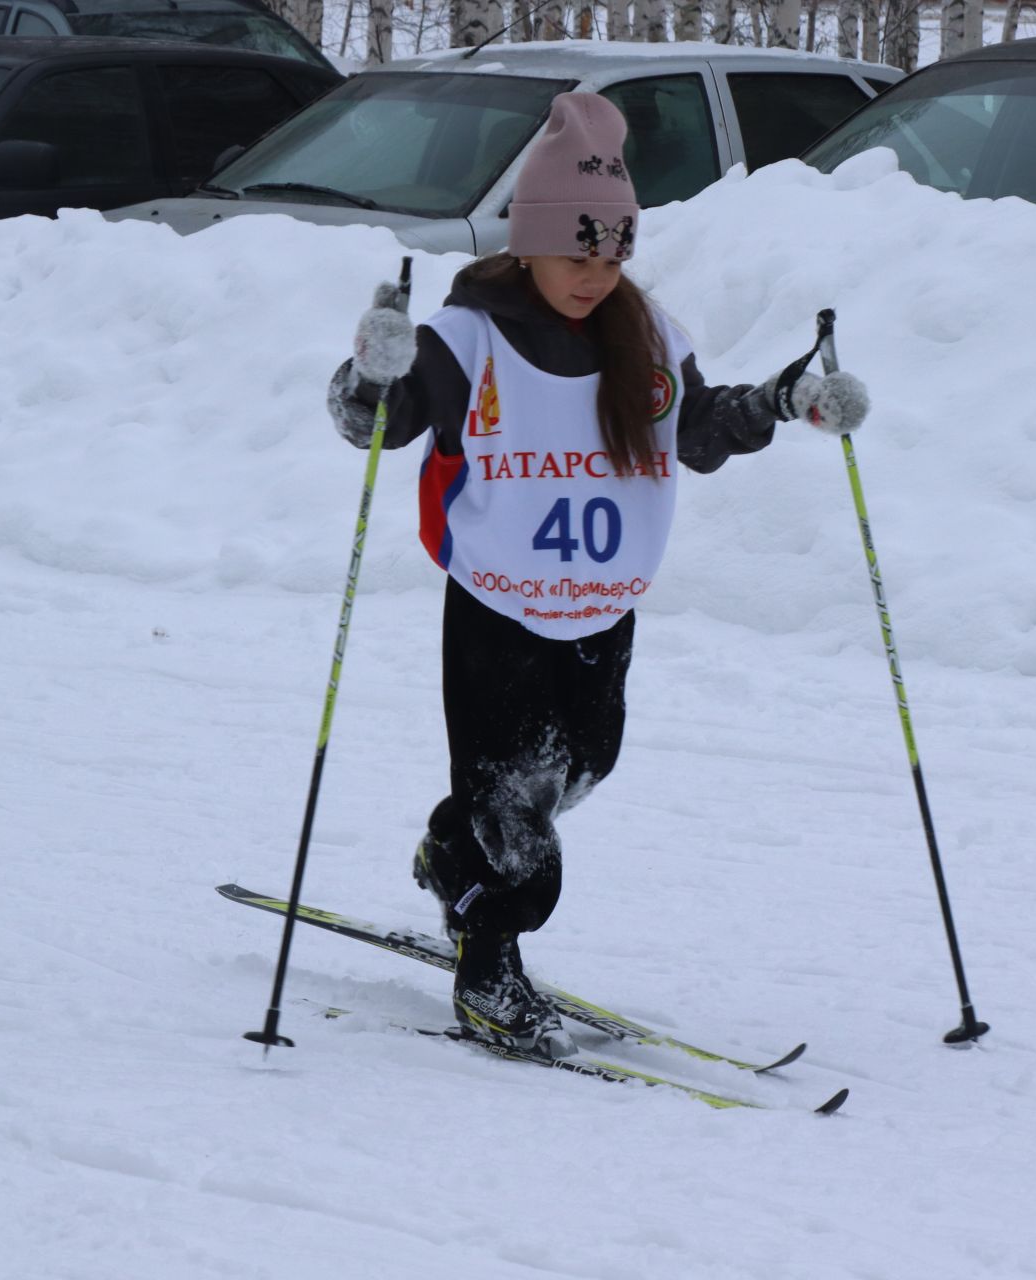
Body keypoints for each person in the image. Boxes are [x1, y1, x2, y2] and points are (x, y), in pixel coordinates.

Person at [324, 92, 869, 1056]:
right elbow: (378, 426)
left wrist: (787, 399)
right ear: (527, 242)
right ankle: (488, 971)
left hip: (602, 607)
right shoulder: (469, 339)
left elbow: (696, 430)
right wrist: (371, 371)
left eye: (614, 254)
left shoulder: (645, 338)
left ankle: (453, 853)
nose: (596, 274)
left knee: (576, 769)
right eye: (578, 252)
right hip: (498, 605)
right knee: (518, 823)